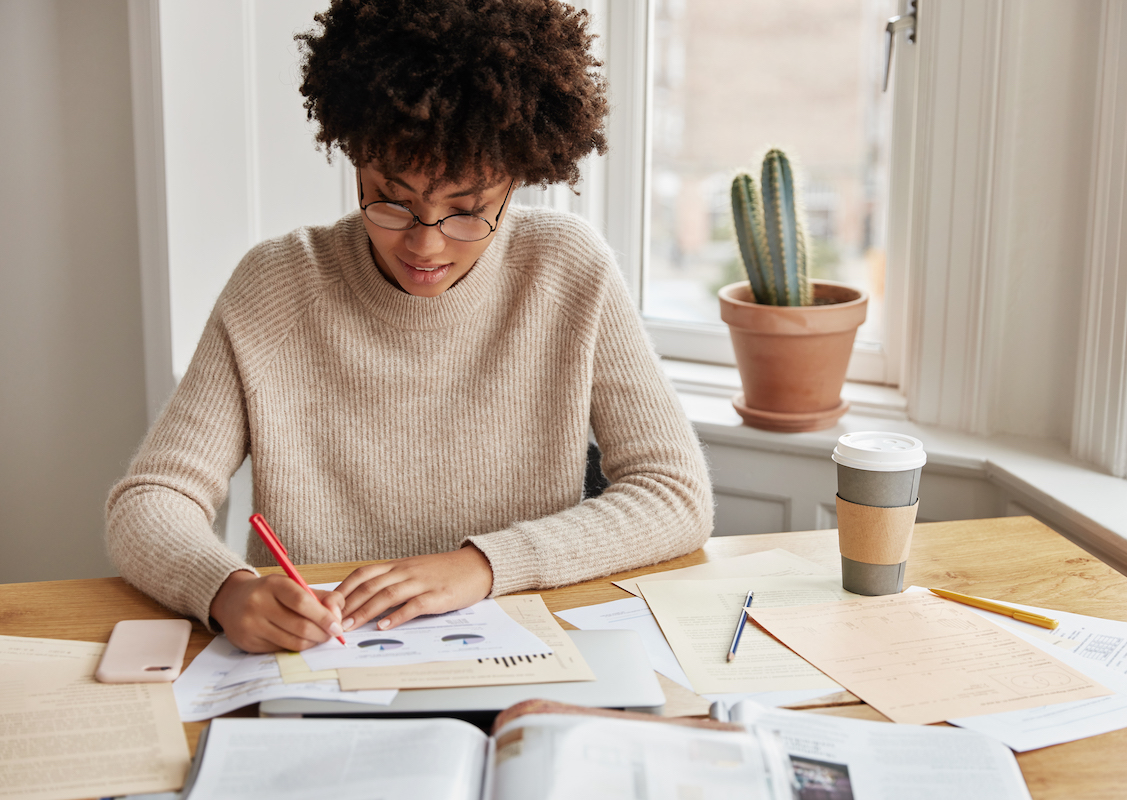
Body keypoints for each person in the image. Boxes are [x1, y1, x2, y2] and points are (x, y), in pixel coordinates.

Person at [106, 0, 712, 654]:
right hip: (322, 663)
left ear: (518, 178)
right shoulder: (277, 285)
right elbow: (151, 500)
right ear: (355, 158)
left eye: (466, 210)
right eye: (392, 201)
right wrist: (224, 589)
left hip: (518, 657)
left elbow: (673, 494)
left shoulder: (567, 269)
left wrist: (483, 565)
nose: (426, 245)